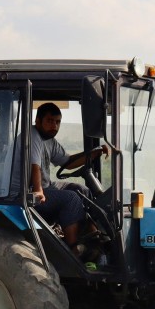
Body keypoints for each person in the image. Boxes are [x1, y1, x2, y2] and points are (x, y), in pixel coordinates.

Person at [29, 102, 103, 246]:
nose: (54, 126)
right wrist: (38, 190)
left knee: (82, 190)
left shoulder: (49, 140)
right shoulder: (33, 136)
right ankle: (74, 249)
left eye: (57, 122)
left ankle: (92, 236)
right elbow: (34, 165)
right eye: (50, 121)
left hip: (45, 186)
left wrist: (94, 153)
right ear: (38, 121)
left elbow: (67, 162)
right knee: (71, 199)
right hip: (27, 193)